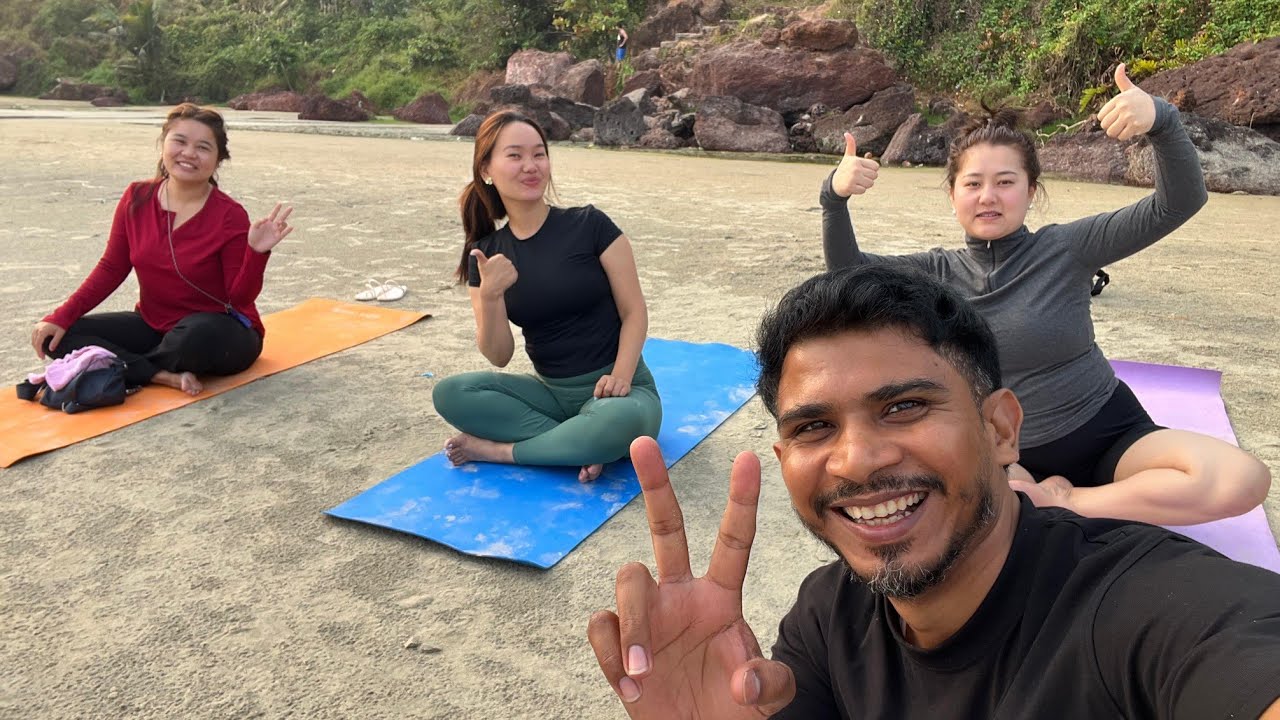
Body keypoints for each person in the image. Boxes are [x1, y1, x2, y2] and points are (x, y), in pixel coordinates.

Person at [587, 265, 1280, 719]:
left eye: (905, 407)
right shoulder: (829, 621)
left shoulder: (1142, 610)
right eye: (815, 427)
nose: (856, 461)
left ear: (1002, 429)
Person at [818, 64, 1270, 525]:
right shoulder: (936, 273)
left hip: (1108, 430)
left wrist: (1163, 121)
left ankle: (1067, 504)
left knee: (1242, 478)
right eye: (973, 184)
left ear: (1031, 191)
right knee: (982, 515)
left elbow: (1179, 202)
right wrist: (834, 198)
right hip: (1007, 453)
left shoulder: (1068, 247)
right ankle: (1037, 499)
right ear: (953, 196)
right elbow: (849, 273)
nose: (988, 196)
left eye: (1006, 182)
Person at [432, 111, 661, 483]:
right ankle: (576, 444)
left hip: (623, 392)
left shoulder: (590, 225)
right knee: (451, 393)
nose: (530, 166)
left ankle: (499, 452)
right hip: (552, 396)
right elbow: (499, 355)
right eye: (515, 155)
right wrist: (490, 297)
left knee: (619, 422)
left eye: (539, 154)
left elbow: (634, 311)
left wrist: (621, 376)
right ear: (487, 169)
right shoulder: (487, 254)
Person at [31, 103, 293, 396]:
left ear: (218, 160)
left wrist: (256, 253)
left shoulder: (229, 215)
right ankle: (160, 374)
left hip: (221, 332)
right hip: (153, 325)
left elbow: (240, 297)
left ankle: (128, 365)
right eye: (180, 141)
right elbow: (111, 268)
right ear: (164, 144)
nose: (189, 153)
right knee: (58, 336)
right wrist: (61, 315)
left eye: (203, 147)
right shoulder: (137, 197)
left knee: (193, 336)